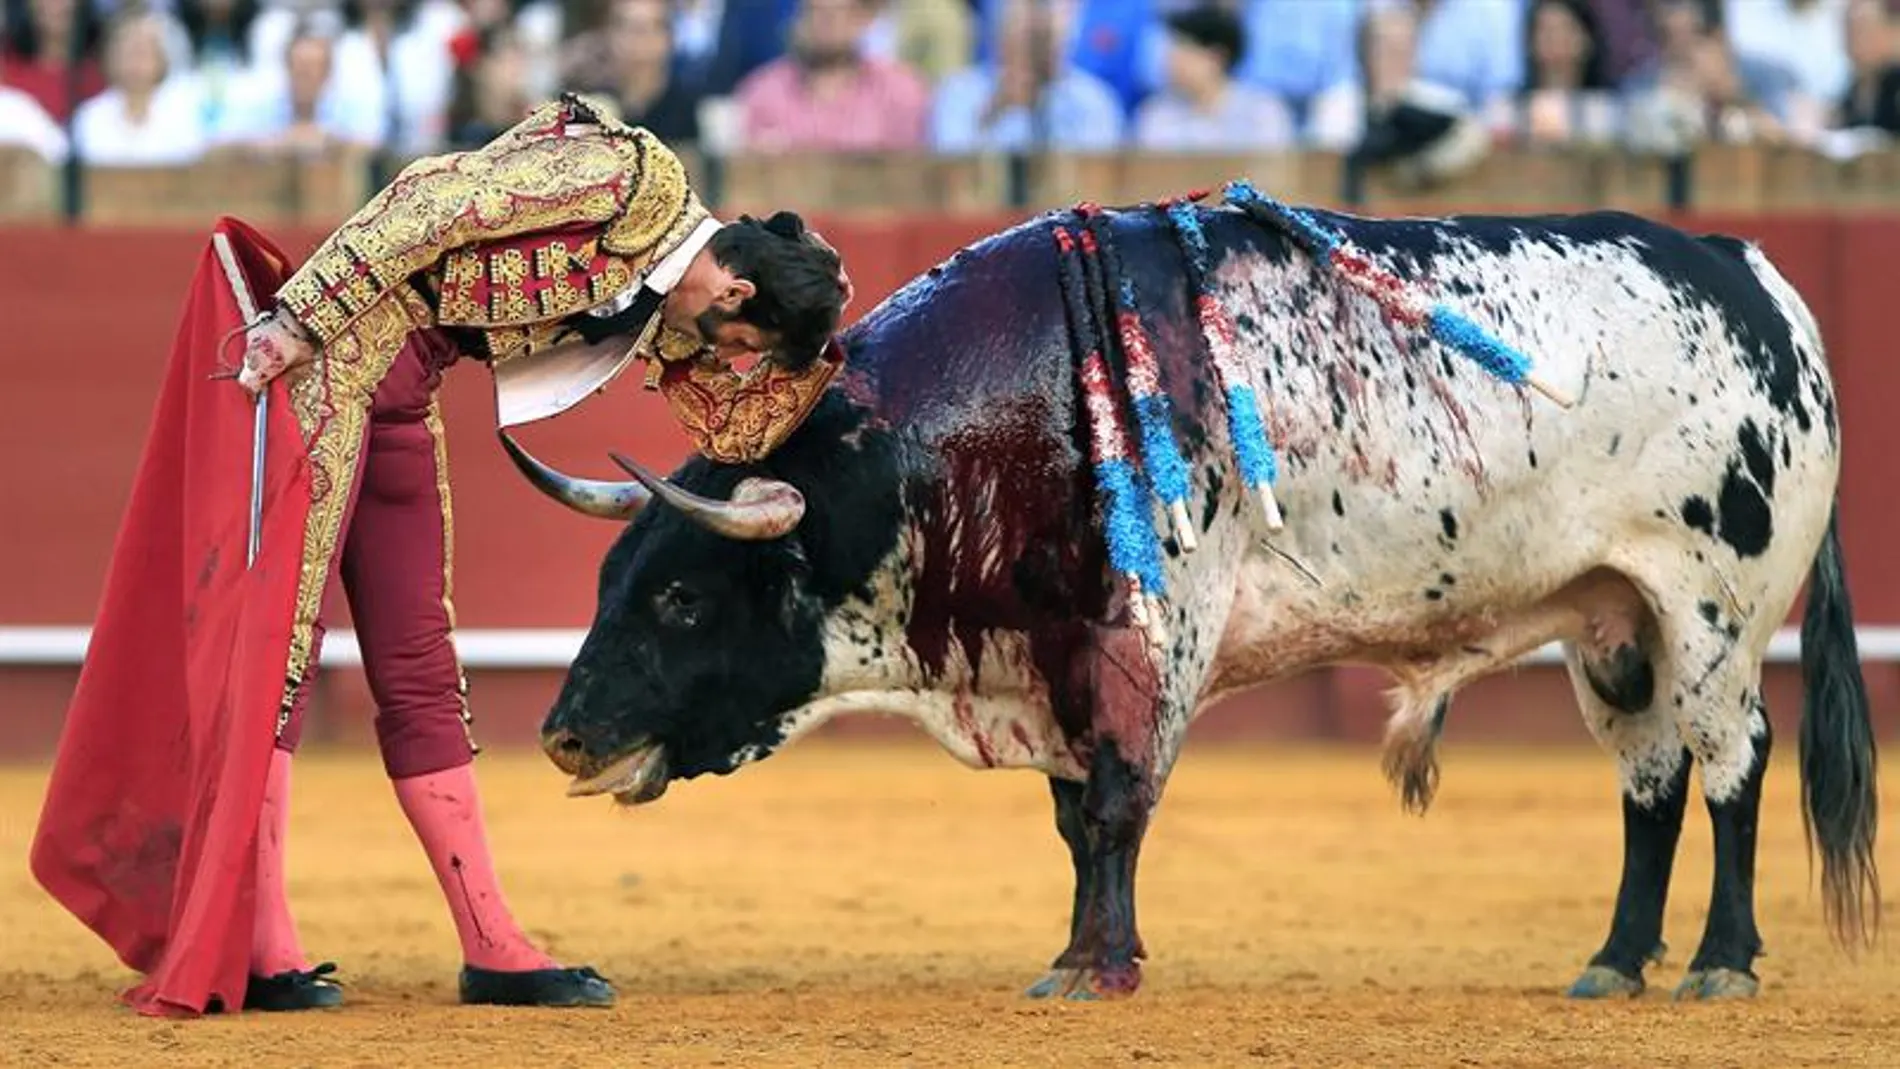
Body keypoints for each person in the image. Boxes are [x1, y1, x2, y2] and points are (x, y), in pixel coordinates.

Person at [31, 91, 851, 1018]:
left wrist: (830, 407)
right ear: (736, 292)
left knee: (423, 664)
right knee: (281, 655)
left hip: (403, 390)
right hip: (326, 369)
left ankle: (491, 940)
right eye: (744, 343)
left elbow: (724, 419)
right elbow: (431, 198)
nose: (729, 358)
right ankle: (261, 944)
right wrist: (299, 316)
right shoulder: (628, 181)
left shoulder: (663, 296)